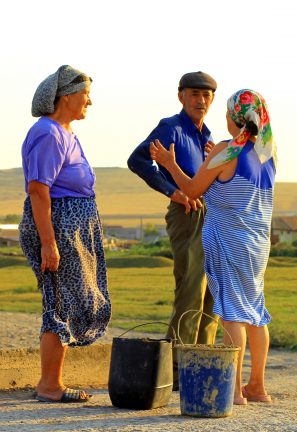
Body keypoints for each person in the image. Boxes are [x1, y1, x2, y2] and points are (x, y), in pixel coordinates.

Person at [150, 88, 277, 405]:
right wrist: (213, 156)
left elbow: (193, 189)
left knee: (232, 314)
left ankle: (233, 390)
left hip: (229, 241)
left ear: (233, 117)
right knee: (255, 314)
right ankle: (257, 386)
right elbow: (230, 181)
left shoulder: (225, 150)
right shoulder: (268, 153)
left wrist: (169, 162)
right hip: (257, 244)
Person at [19, 65, 112, 403]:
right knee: (60, 302)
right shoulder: (49, 133)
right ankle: (49, 385)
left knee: (69, 301)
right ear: (68, 96)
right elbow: (39, 189)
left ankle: (52, 381)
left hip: (72, 228)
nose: (91, 101)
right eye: (87, 95)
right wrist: (48, 243)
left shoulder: (64, 131)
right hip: (57, 227)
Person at [127, 71, 219, 386]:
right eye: (194, 94)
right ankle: (177, 371)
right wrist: (173, 191)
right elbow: (137, 160)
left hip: (213, 214)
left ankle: (202, 364)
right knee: (192, 289)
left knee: (213, 294)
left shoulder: (207, 136)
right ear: (181, 96)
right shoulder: (171, 128)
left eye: (206, 95)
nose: (201, 100)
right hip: (187, 213)